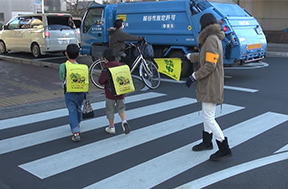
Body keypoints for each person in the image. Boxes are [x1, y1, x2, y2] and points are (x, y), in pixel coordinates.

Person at [185, 13, 232, 161]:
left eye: (200, 23)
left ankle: (224, 147)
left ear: (204, 24)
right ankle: (207, 142)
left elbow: (210, 64)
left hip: (210, 84)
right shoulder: (212, 38)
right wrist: (190, 57)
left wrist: (194, 76)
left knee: (209, 118)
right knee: (207, 115)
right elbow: (204, 56)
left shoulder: (211, 39)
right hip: (209, 83)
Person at [98, 48, 130, 135]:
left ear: (105, 59)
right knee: (121, 108)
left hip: (110, 94)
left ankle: (112, 127)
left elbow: (101, 81)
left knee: (110, 111)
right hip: (121, 93)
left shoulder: (106, 68)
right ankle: (124, 121)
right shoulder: (121, 65)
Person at [59, 44, 85, 142]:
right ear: (78, 55)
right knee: (79, 108)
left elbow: (62, 77)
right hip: (80, 92)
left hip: (69, 92)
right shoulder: (81, 67)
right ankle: (77, 123)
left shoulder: (63, 66)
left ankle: (75, 132)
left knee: (72, 110)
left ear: (66, 54)